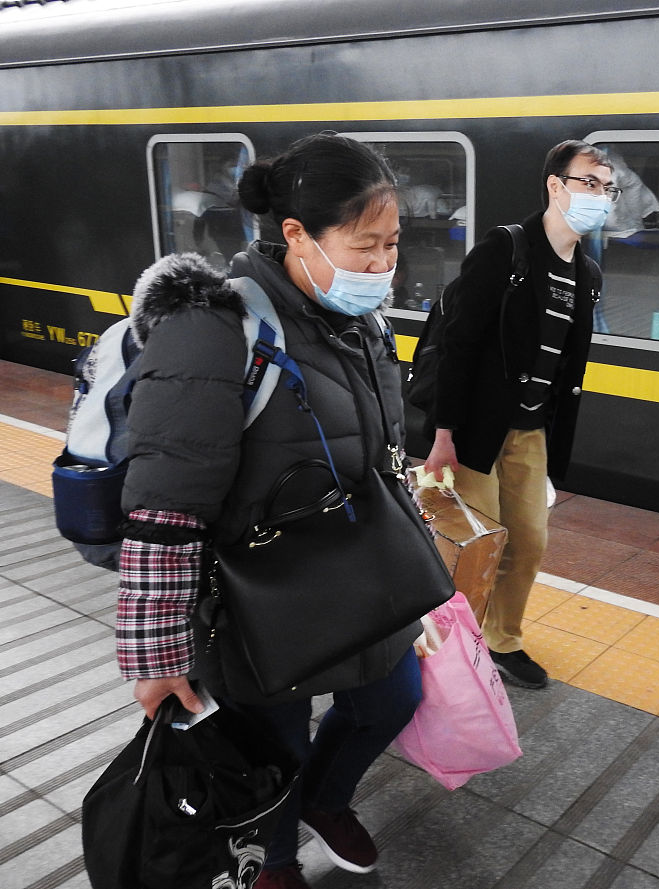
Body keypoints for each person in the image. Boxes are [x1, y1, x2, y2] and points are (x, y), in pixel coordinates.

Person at [115, 133, 422, 889]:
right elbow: (165, 499)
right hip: (256, 599)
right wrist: (154, 658)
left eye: (393, 245)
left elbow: (383, 456)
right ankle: (274, 860)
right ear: (297, 234)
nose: (384, 265)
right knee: (270, 745)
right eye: (366, 245)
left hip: (360, 575)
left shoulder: (360, 319)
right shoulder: (214, 329)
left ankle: (327, 796)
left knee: (395, 697)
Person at [421, 140, 610, 689]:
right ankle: (452, 646)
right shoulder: (506, 249)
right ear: (556, 186)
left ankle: (505, 641)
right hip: (477, 428)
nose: (600, 197)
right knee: (474, 545)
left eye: (607, 188)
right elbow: (459, 345)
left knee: (528, 540)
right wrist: (443, 434)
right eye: (589, 183)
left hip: (530, 431)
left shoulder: (587, 274)